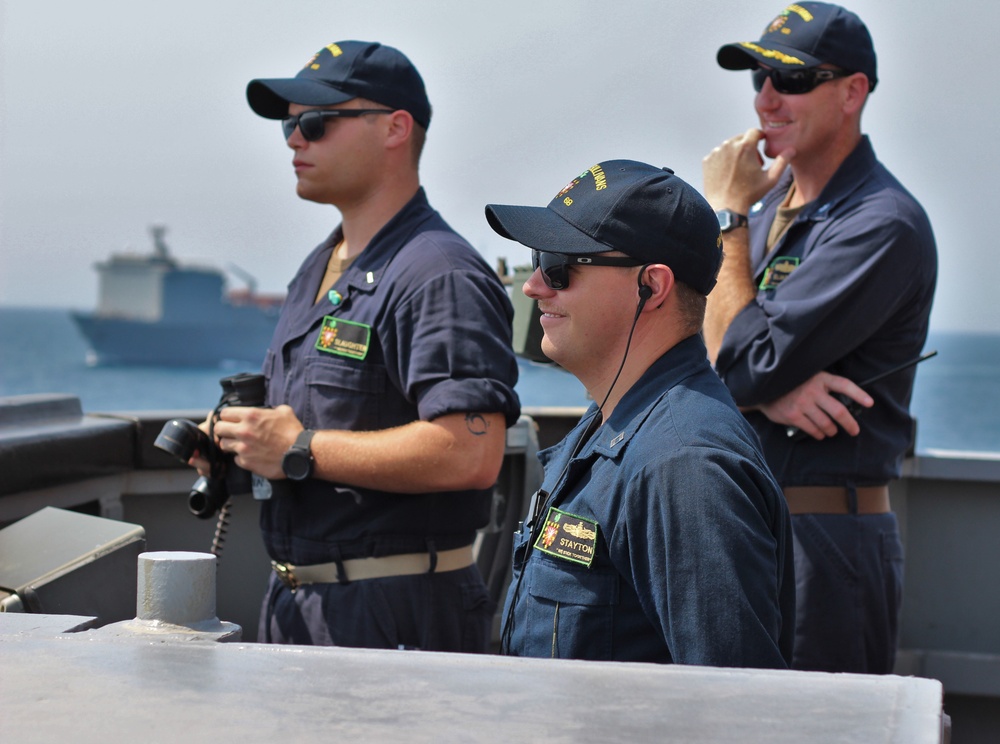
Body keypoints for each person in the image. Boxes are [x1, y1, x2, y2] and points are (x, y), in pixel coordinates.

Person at [199, 40, 521, 651]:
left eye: (315, 123)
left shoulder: (439, 274)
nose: (295, 139)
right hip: (299, 606)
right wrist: (244, 443)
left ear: (396, 128)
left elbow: (469, 454)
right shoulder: (321, 266)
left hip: (395, 619)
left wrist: (297, 446)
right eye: (290, 126)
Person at [701, 3, 937, 674]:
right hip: (739, 526)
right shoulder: (766, 210)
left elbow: (739, 358)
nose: (767, 98)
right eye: (758, 77)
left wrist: (726, 214)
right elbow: (683, 342)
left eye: (793, 79)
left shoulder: (880, 223)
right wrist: (766, 392)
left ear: (852, 92)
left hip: (821, 546)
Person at [485, 160, 794, 667]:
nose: (534, 286)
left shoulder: (684, 468)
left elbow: (732, 707)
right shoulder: (610, 427)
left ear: (652, 286)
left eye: (560, 264)